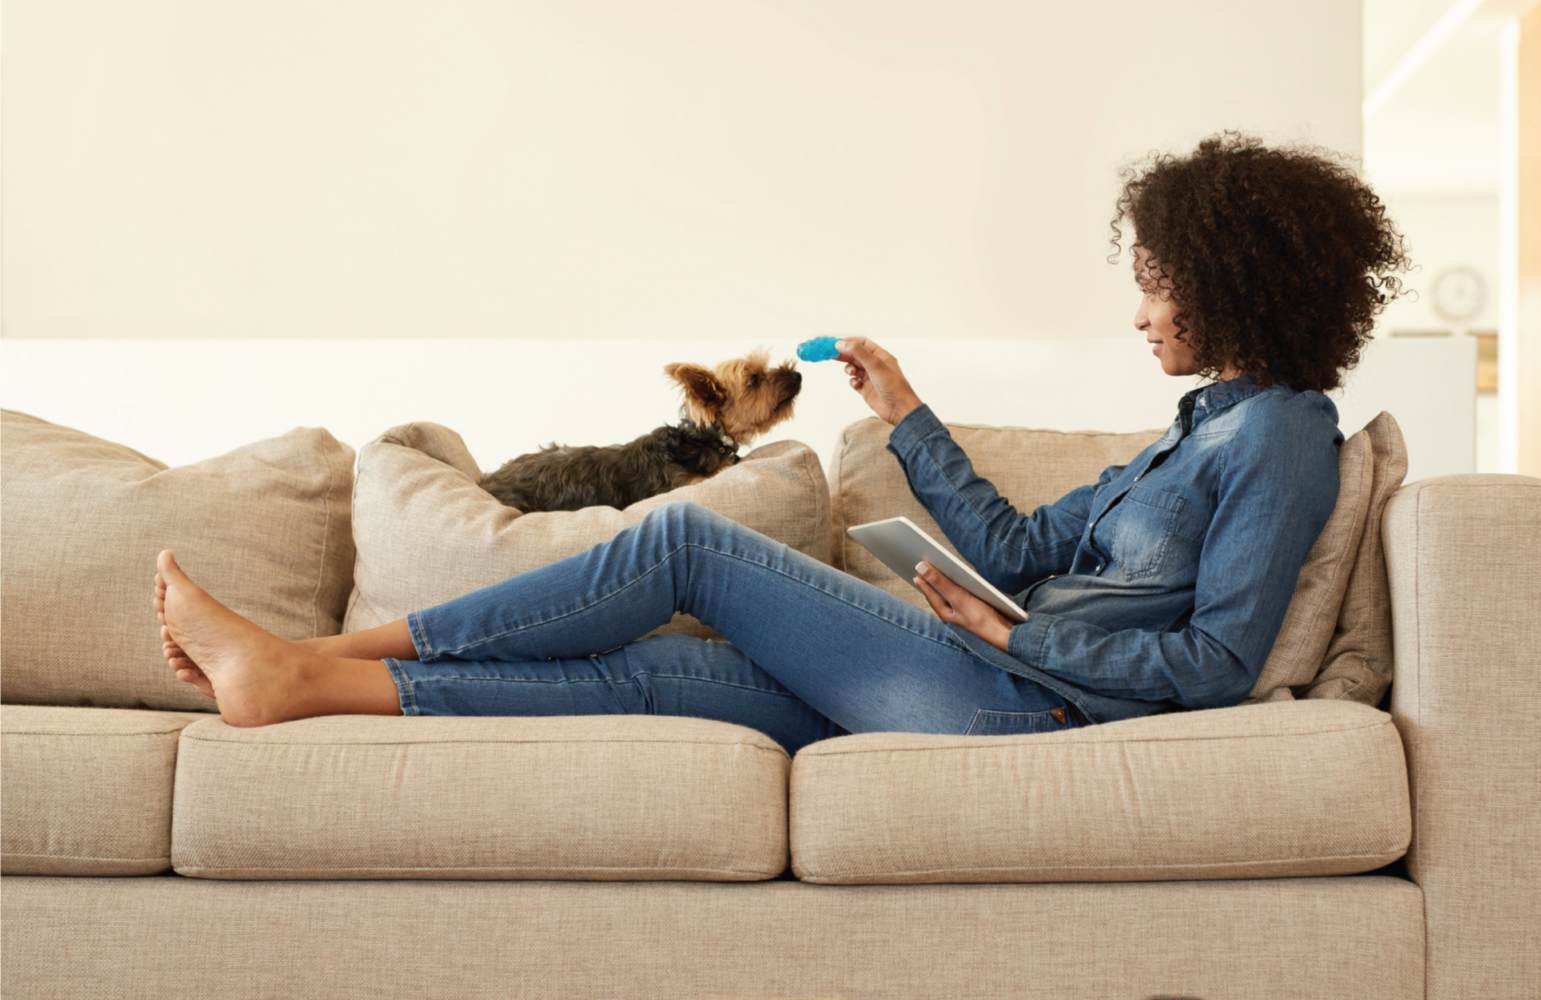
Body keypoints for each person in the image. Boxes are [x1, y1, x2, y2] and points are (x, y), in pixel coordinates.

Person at [153, 132, 1409, 755]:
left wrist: (1017, 636)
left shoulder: (1283, 439)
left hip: (1016, 698)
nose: (1138, 312)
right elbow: (1020, 545)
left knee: (690, 547)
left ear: (1230, 278)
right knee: (647, 675)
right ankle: (301, 684)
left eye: (1153, 283)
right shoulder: (1195, 430)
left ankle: (311, 648)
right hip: (983, 671)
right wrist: (904, 410)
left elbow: (1215, 663)